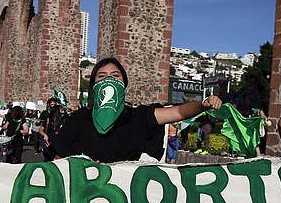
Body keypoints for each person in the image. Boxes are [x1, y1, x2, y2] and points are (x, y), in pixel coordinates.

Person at [51, 57, 222, 163]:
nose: (109, 79)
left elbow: (178, 112)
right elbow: (57, 154)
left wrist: (203, 104)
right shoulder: (80, 118)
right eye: (102, 76)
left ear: (124, 84)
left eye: (115, 75)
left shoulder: (139, 117)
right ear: (95, 86)